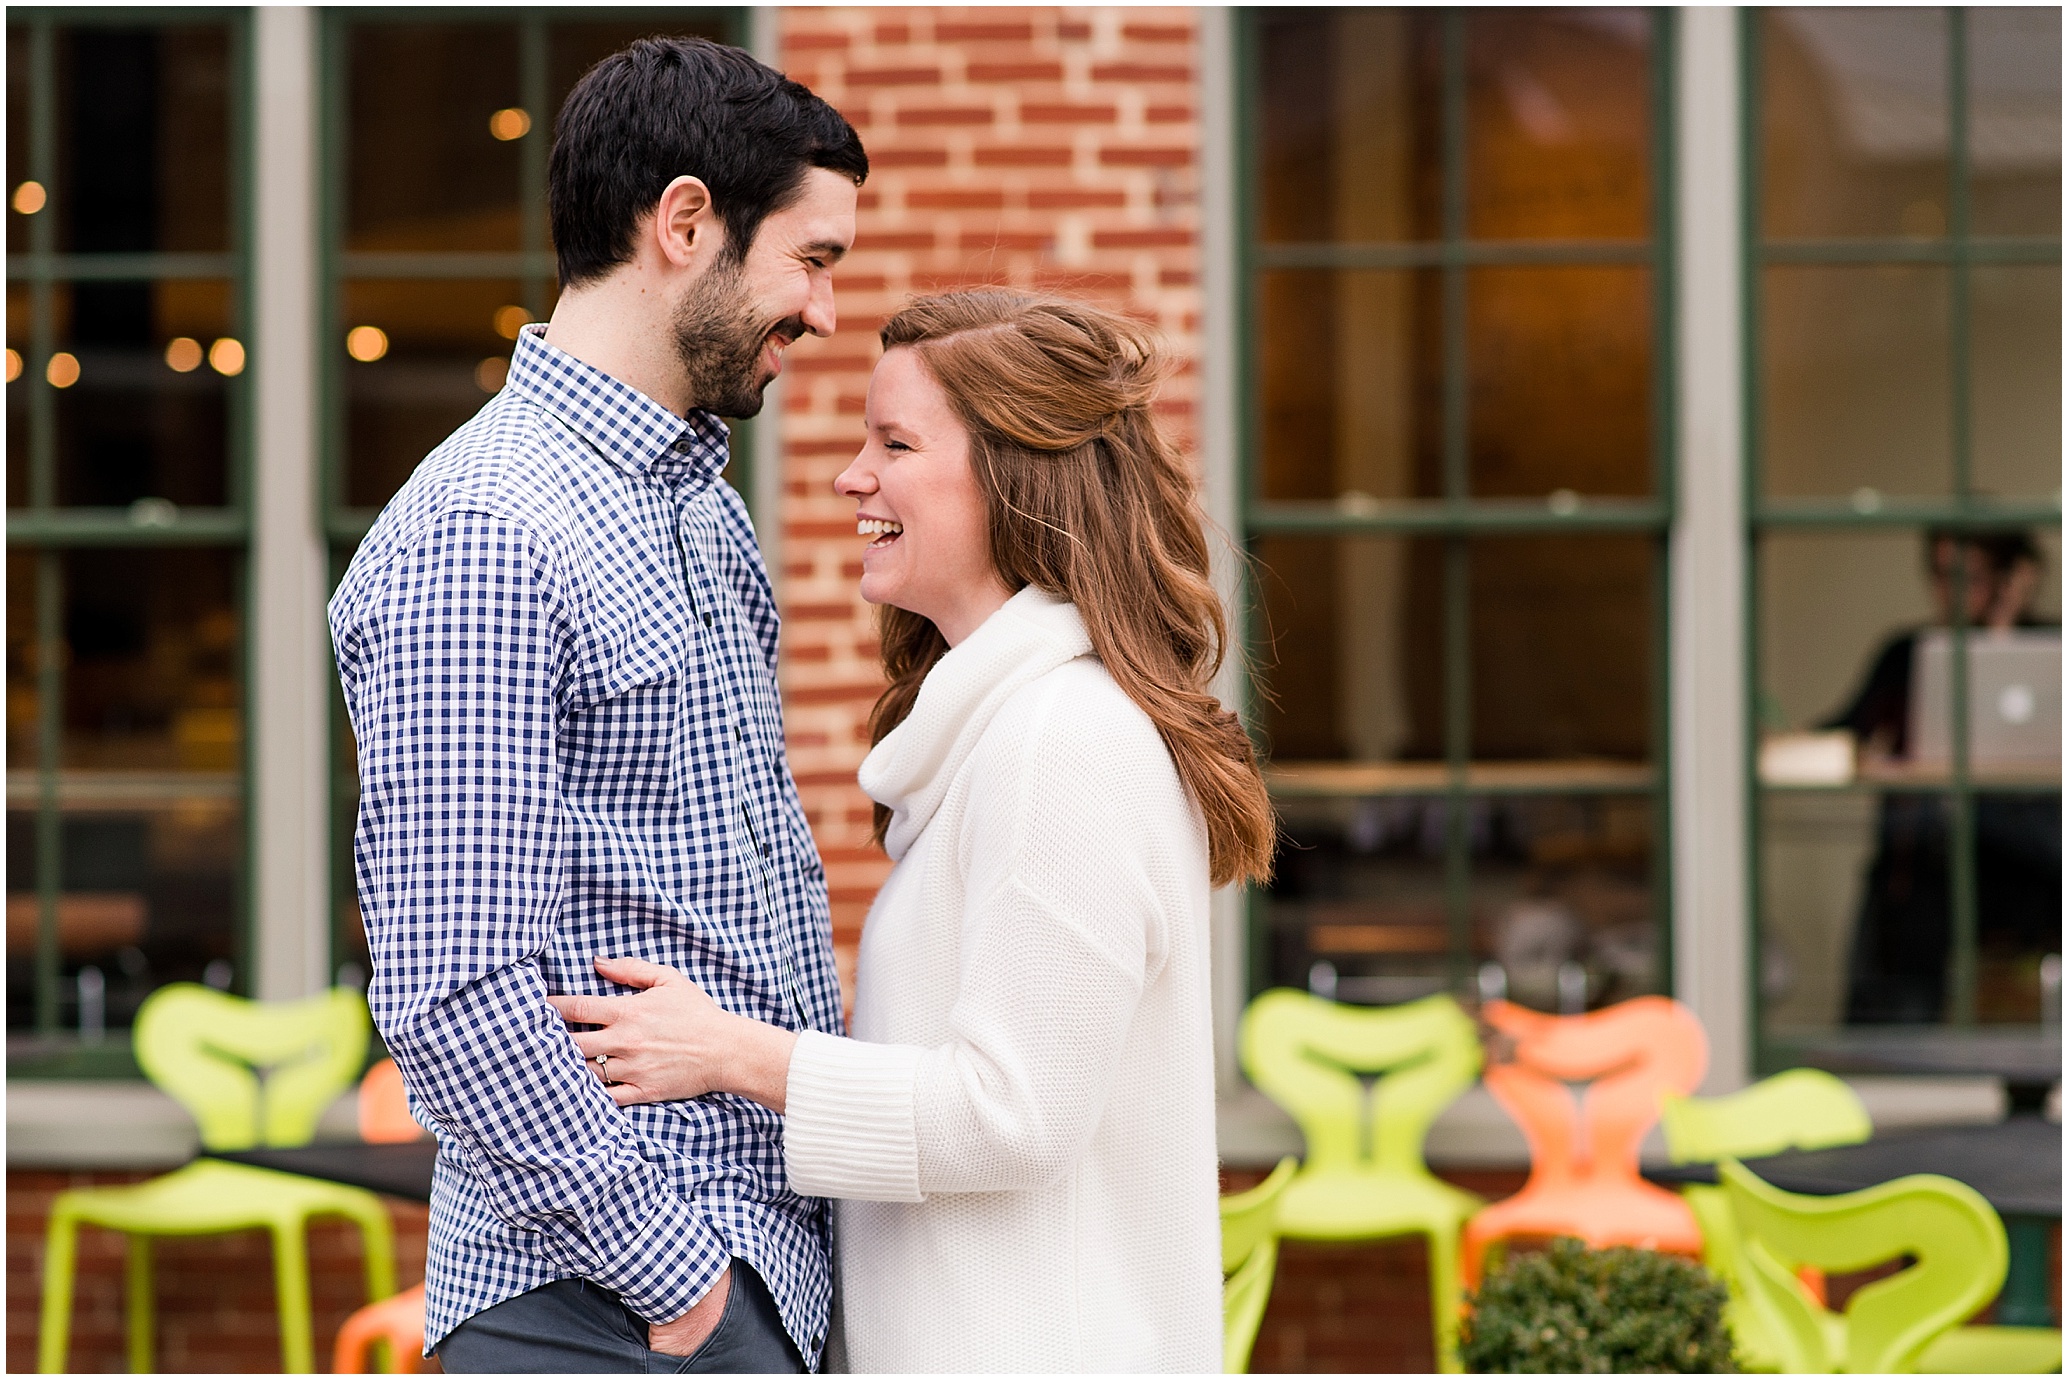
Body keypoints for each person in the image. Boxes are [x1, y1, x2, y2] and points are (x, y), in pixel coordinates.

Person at [548, 290, 1277, 1372]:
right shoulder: (1000, 737)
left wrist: (730, 1054)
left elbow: (1012, 1116)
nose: (852, 478)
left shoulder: (1063, 741)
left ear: (1016, 476)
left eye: (894, 443)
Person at [327, 37, 865, 1373]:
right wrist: (678, 1284)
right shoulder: (486, 531)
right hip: (598, 1315)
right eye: (814, 259)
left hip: (752, 1279)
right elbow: (454, 991)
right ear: (687, 222)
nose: (825, 312)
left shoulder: (703, 511)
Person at [1827, 528, 2060, 1024]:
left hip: (2028, 869)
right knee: (1901, 934)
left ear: (2009, 579)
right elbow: (1845, 734)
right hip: (1925, 867)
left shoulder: (2050, 650)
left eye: (1967, 577)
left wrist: (2001, 632)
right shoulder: (1907, 653)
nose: (1947, 591)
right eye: (1938, 574)